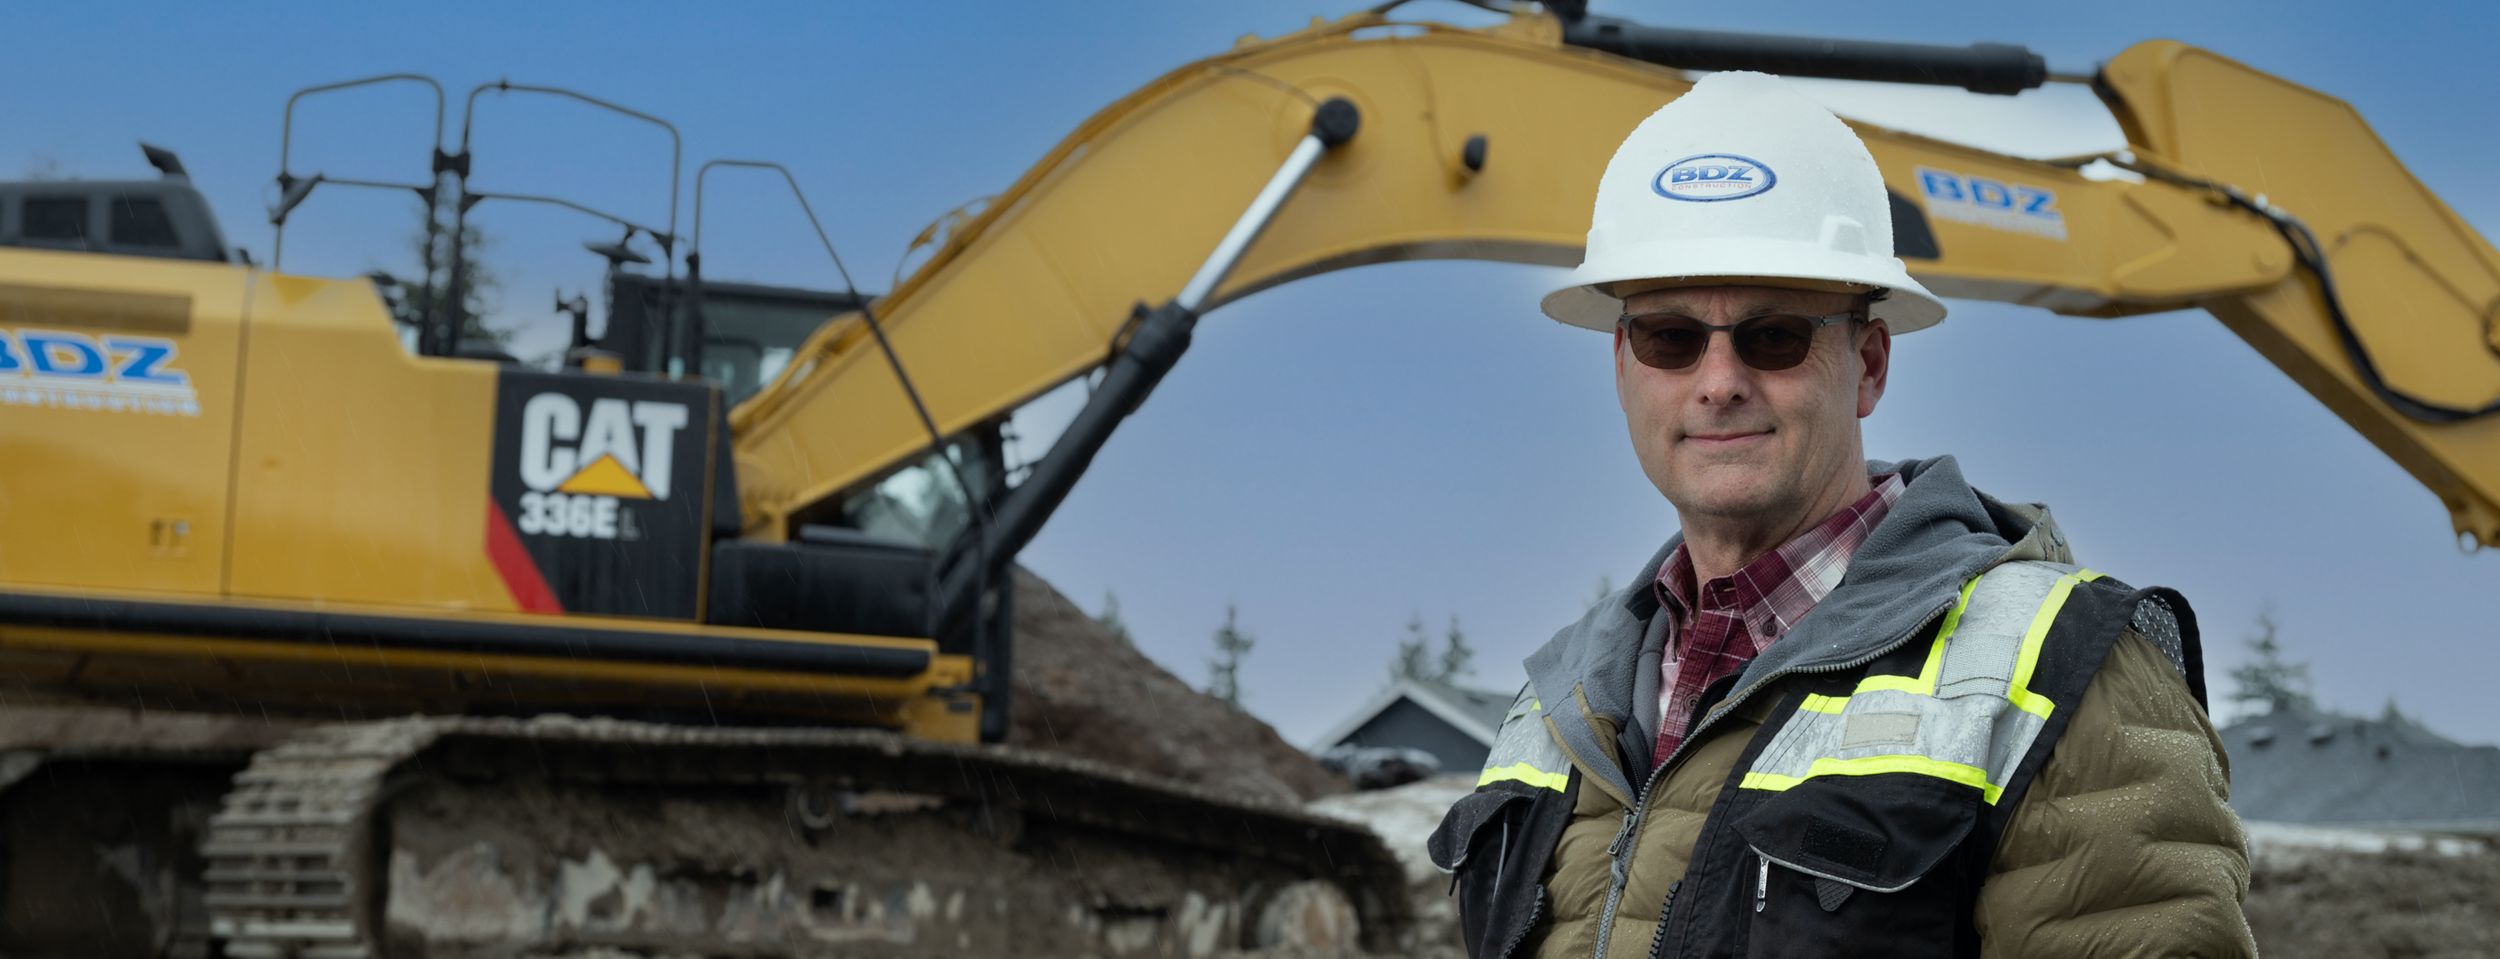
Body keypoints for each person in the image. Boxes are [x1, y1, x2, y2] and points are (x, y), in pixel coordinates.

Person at [1427, 71, 2253, 958]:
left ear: (1869, 364)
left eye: (1774, 336)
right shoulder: (1558, 707)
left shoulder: (2060, 673)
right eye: (1672, 338)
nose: (1718, 382)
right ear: (1623, 366)